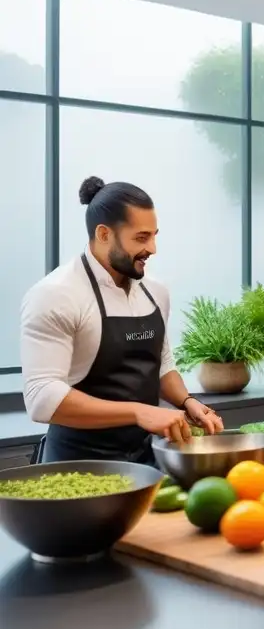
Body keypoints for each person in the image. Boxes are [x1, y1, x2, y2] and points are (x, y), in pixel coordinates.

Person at [20, 177, 224, 464]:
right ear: (104, 234)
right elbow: (42, 399)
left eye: (154, 235)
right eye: (141, 238)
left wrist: (187, 401)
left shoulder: (156, 292)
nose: (152, 248)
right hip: (76, 465)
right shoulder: (55, 295)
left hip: (144, 460)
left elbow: (162, 363)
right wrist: (139, 411)